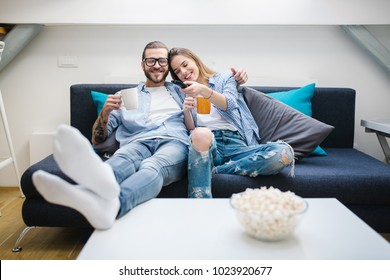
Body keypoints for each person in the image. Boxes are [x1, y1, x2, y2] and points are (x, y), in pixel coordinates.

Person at [32, 41, 248, 230]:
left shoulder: (181, 90)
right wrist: (105, 113)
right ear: (142, 64)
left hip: (174, 141)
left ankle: (112, 203)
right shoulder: (124, 96)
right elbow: (98, 139)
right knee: (121, 159)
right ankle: (85, 192)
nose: (157, 65)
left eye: (162, 61)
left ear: (168, 68)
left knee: (152, 167)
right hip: (136, 140)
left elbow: (214, 85)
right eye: (151, 60)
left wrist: (237, 77)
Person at [168, 47, 295, 199]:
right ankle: (199, 209)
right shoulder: (182, 91)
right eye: (177, 71)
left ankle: (217, 170)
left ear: (195, 60)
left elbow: (229, 103)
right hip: (208, 145)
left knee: (284, 153)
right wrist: (187, 111)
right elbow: (191, 130)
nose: (183, 72)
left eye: (185, 64)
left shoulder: (224, 77)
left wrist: (203, 90)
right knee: (200, 133)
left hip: (236, 145)